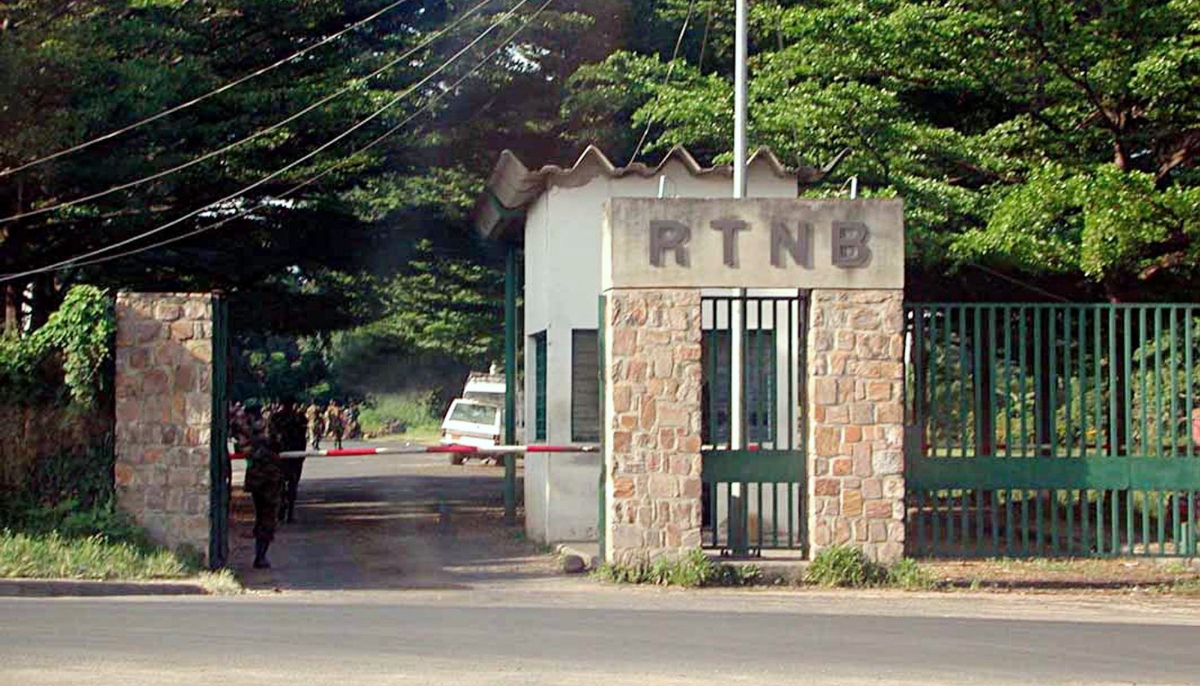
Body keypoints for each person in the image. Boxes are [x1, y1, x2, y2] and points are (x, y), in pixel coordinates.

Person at [234, 408, 283, 569]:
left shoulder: (245, 430)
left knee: (261, 515)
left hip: (256, 478)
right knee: (267, 517)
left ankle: (260, 554)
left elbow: (242, 448)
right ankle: (261, 556)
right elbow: (278, 444)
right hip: (270, 478)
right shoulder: (268, 427)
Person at [273, 403, 308, 524]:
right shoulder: (299, 418)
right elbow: (303, 438)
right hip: (295, 455)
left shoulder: (276, 418)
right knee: (293, 484)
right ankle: (289, 513)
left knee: (280, 484)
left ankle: (282, 510)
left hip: (281, 455)